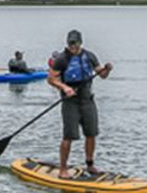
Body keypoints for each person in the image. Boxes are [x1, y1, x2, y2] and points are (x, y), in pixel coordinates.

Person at [48, 29, 112, 178]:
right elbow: (51, 79)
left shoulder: (89, 56)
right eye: (70, 44)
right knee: (68, 136)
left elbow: (102, 75)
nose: (73, 47)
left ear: (80, 42)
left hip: (87, 100)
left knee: (91, 134)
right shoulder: (62, 59)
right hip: (70, 102)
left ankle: (90, 165)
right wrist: (65, 87)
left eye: (75, 44)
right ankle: (63, 169)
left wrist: (107, 70)